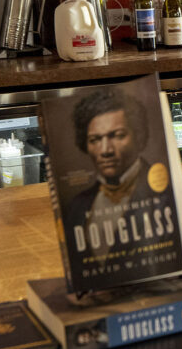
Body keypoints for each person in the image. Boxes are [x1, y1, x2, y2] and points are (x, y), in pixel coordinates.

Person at [65, 87, 160, 261]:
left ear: (138, 136)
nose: (105, 150)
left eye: (117, 136)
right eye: (95, 140)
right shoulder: (77, 206)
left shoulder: (166, 195)